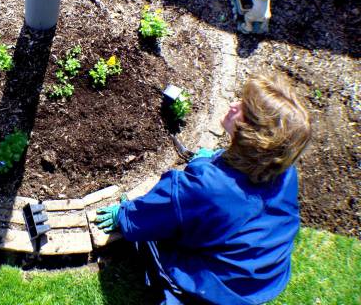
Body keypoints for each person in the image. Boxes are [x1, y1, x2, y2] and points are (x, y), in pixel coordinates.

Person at [95, 74, 311, 304]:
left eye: (242, 109)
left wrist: (125, 215)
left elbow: (157, 212)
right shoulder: (283, 171)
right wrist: (209, 160)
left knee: (158, 242)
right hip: (264, 280)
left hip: (217, 289)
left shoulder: (204, 189)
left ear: (253, 136)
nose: (233, 104)